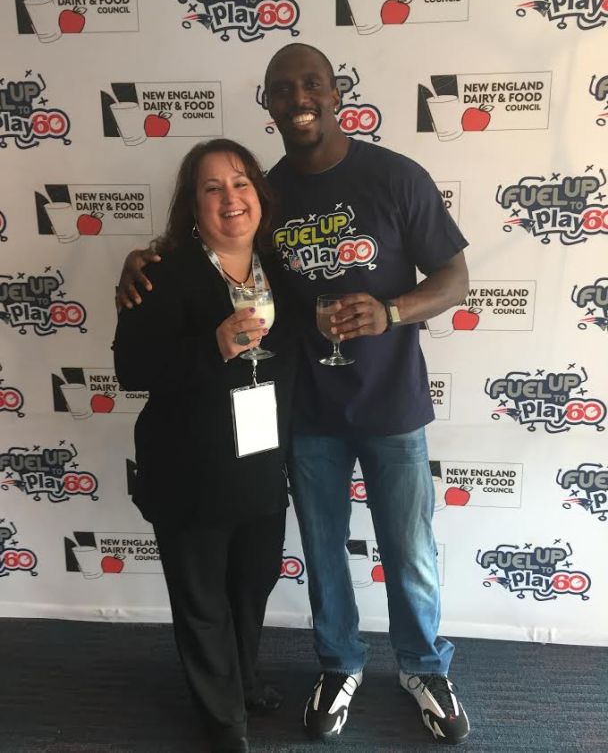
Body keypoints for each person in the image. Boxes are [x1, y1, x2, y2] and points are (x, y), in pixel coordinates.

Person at [116, 44, 471, 746]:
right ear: (270, 104)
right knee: (324, 552)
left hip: (391, 405)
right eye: (283, 88)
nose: (299, 98)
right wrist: (142, 259)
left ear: (336, 93)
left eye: (311, 84)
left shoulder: (395, 176)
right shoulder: (267, 194)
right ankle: (340, 664)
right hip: (304, 414)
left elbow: (454, 279)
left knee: (409, 550)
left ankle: (425, 667)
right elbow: (215, 253)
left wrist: (393, 310)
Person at [113, 138, 296, 753]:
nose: (230, 198)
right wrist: (213, 347)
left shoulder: (281, 271)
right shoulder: (161, 274)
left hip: (260, 461)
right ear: (193, 206)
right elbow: (131, 368)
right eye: (212, 188)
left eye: (241, 183)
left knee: (253, 582)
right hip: (189, 467)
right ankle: (223, 719)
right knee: (202, 599)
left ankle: (242, 680)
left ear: (259, 196)